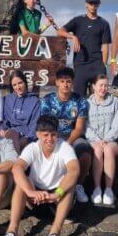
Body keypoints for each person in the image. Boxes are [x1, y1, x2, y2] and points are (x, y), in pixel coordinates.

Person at [0, 114, 79, 236]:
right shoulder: (32, 148)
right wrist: (30, 192)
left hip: (56, 199)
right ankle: (12, 230)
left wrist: (56, 194)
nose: (49, 139)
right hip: (35, 197)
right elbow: (17, 167)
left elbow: (74, 170)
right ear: (38, 134)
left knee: (70, 186)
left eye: (53, 135)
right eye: (45, 135)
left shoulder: (64, 147)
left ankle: (55, 232)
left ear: (57, 134)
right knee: (20, 184)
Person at [40, 67, 92, 203]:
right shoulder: (47, 100)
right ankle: (45, 185)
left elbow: (79, 127)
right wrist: (56, 142)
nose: (65, 84)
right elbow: (45, 126)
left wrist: (67, 143)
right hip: (52, 135)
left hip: (72, 136)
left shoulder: (80, 101)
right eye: (62, 81)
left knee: (84, 149)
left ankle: (79, 185)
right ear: (57, 82)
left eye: (68, 81)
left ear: (72, 83)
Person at [57, 0, 111, 97]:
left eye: (95, 3)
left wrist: (103, 65)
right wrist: (73, 37)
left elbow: (105, 46)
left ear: (99, 4)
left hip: (97, 64)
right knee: (78, 97)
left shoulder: (104, 23)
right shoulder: (78, 20)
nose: (93, 6)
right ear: (86, 4)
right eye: (91, 3)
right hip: (80, 65)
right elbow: (60, 31)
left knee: (99, 97)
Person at [85, 73, 118, 206]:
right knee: (98, 150)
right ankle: (96, 188)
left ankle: (109, 190)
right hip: (93, 140)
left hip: (111, 140)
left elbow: (116, 125)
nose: (103, 88)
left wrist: (106, 139)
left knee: (108, 150)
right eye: (101, 85)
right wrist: (96, 139)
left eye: (106, 85)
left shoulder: (115, 102)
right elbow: (85, 125)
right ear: (94, 86)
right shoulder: (87, 104)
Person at [0, 71, 40, 153]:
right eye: (14, 85)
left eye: (20, 83)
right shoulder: (8, 99)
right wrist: (2, 130)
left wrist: (29, 138)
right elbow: (4, 120)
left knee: (18, 143)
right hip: (10, 133)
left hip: (26, 135)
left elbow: (34, 124)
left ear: (25, 82)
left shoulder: (35, 101)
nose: (18, 87)